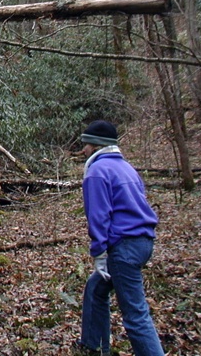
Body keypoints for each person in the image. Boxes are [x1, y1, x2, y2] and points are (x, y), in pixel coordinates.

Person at [74, 120, 165, 356]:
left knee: (135, 315)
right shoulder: (126, 167)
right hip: (143, 241)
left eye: (87, 145)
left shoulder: (96, 171)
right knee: (96, 288)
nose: (84, 150)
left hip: (124, 246)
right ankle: (92, 345)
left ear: (97, 146)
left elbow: (98, 215)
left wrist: (99, 253)